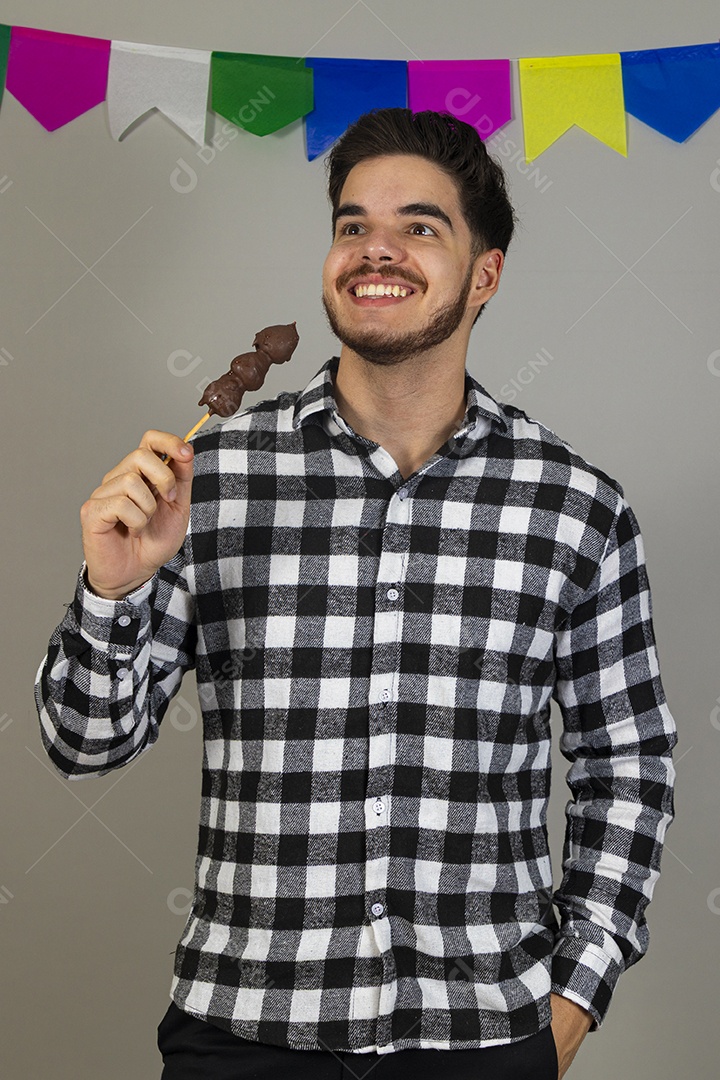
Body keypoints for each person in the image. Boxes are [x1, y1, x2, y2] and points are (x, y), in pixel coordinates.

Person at [35, 108, 677, 1080]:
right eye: (352, 224)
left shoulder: (574, 507)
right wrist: (111, 590)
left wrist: (576, 992)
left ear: (486, 274)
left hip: (481, 1041)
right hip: (244, 1038)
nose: (377, 247)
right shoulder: (210, 476)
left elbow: (627, 764)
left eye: (420, 225)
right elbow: (84, 744)